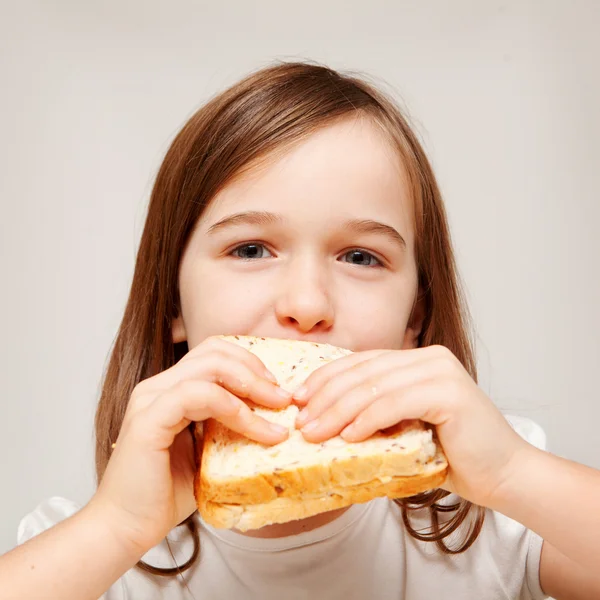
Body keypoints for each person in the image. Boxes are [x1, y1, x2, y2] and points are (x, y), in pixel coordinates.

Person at [2, 61, 599, 600]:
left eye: (361, 257)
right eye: (252, 248)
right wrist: (117, 528)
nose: (307, 305)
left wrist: (513, 475)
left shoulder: (494, 517)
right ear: (171, 303)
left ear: (414, 317)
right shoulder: (93, 559)